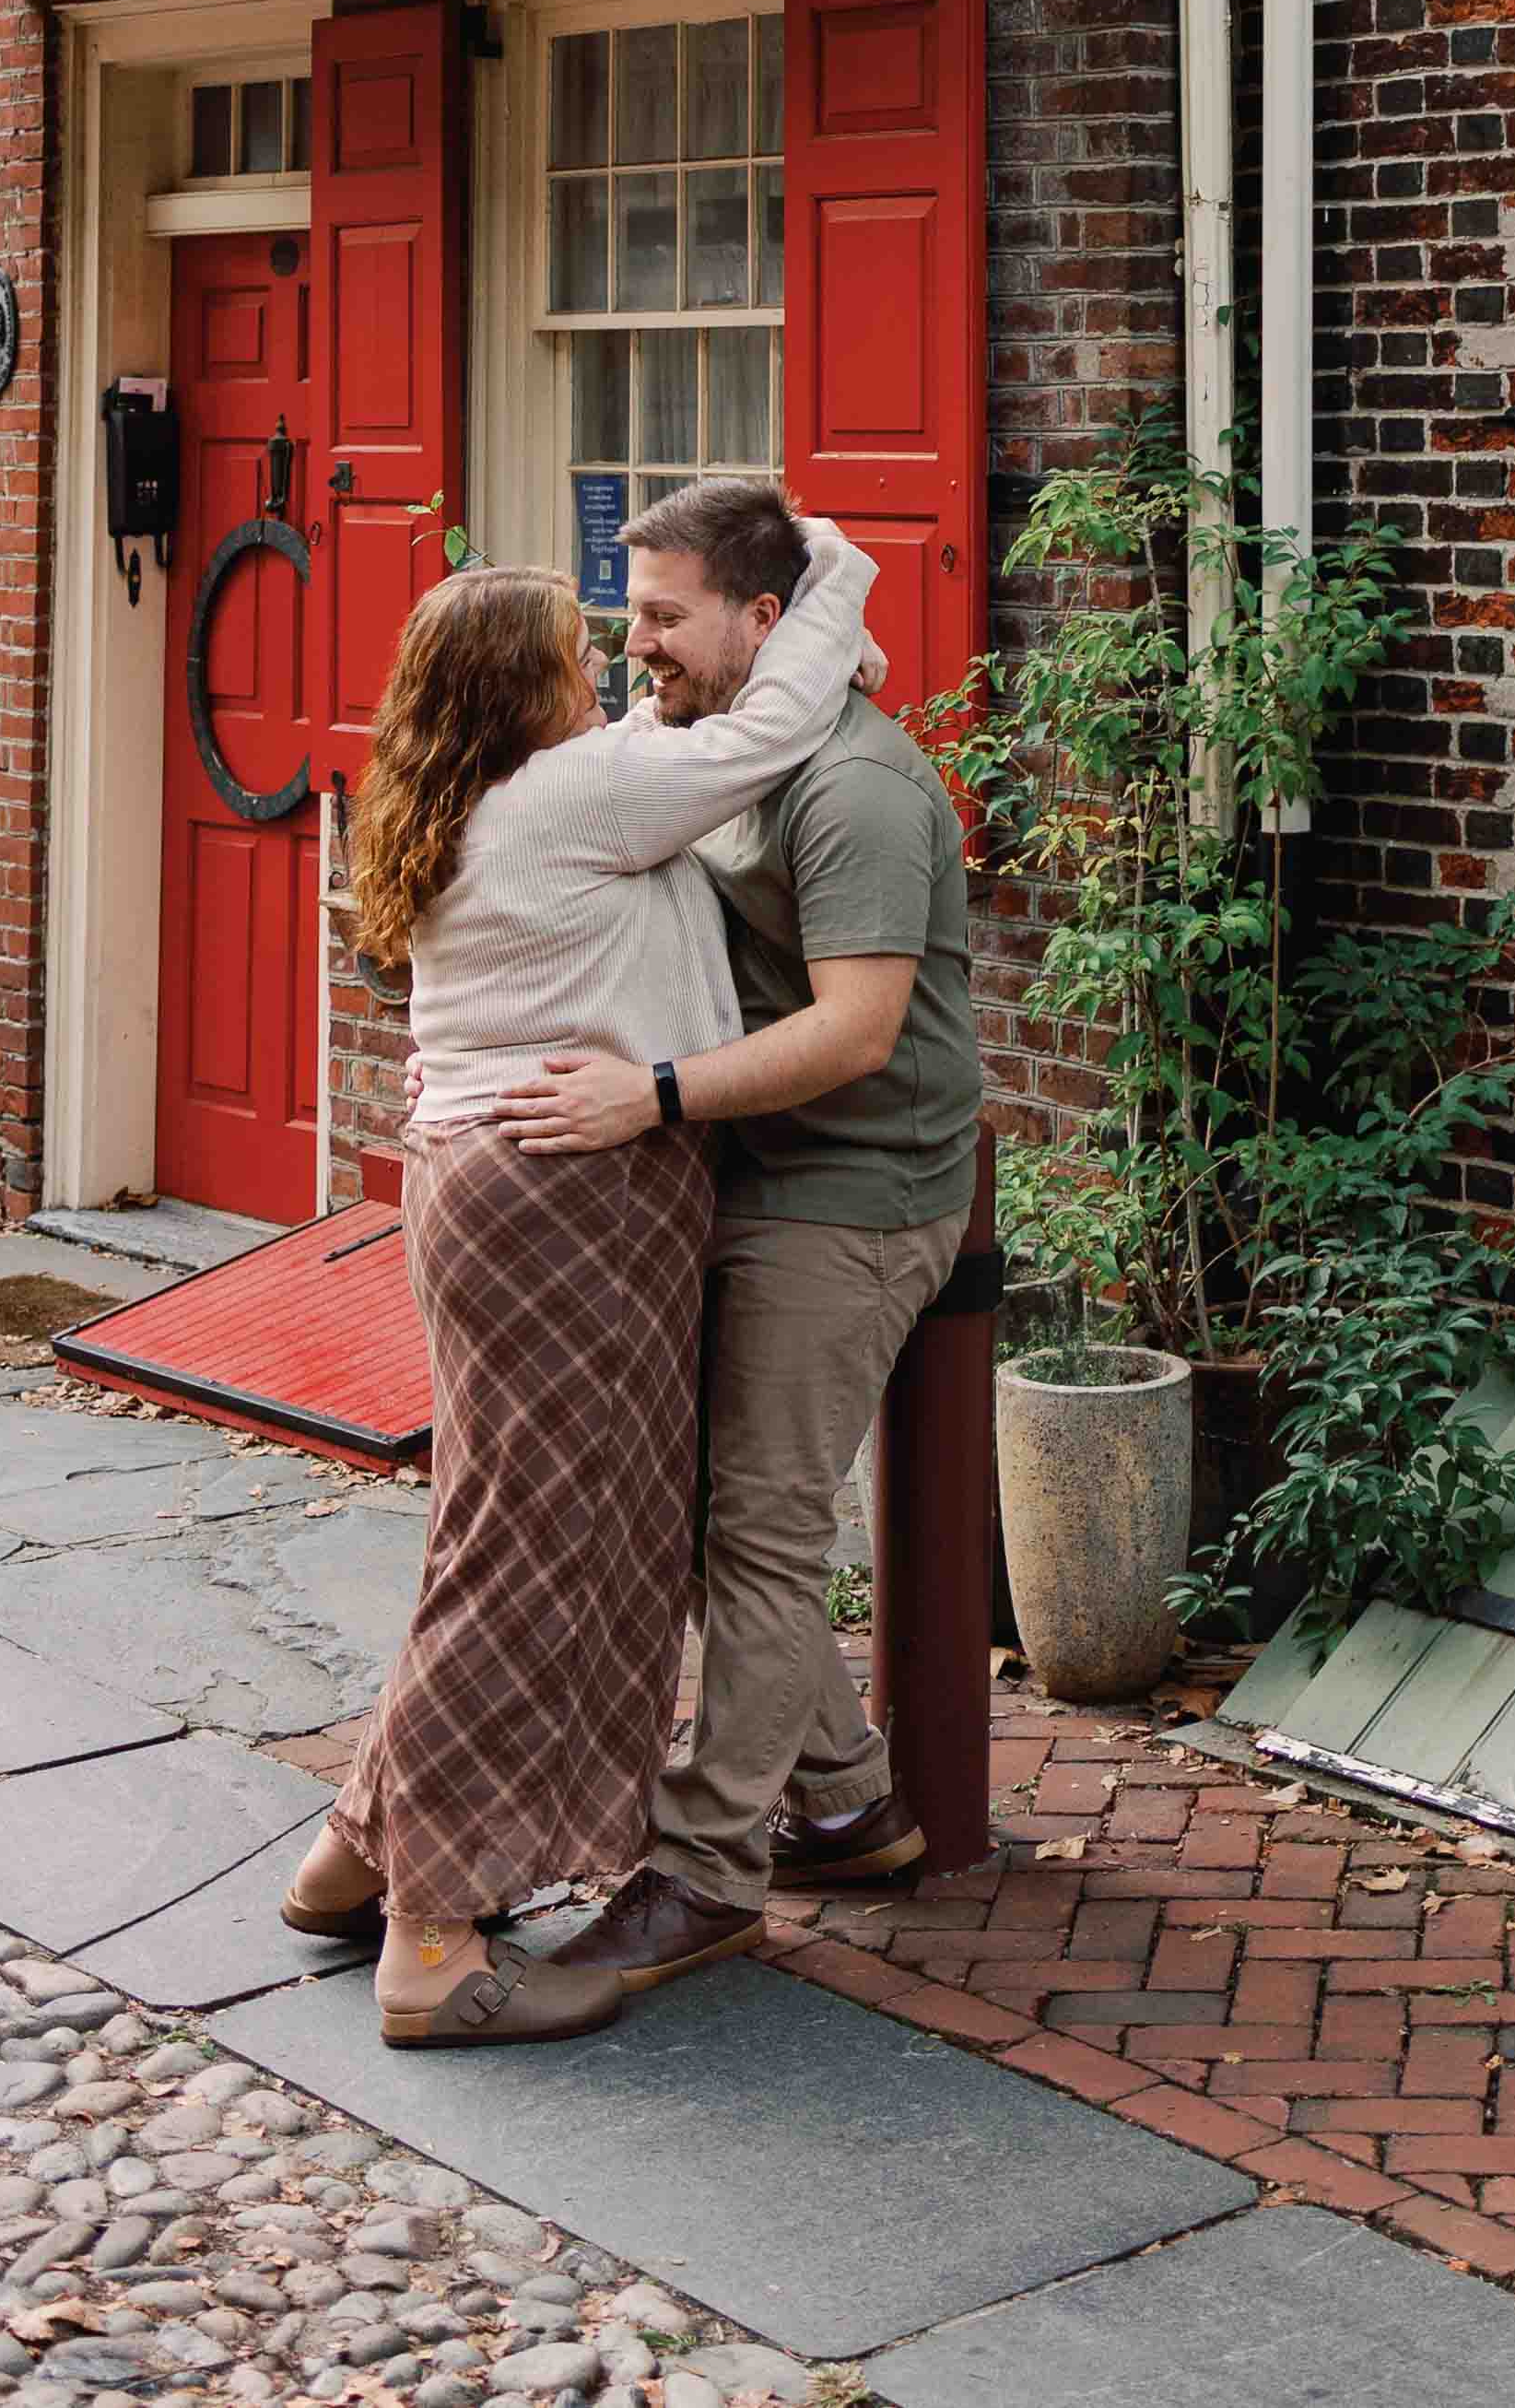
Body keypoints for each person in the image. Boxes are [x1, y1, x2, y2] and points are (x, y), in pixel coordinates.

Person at [279, 512, 880, 2048]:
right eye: (575, 653)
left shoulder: (473, 798)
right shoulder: (570, 797)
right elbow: (788, 714)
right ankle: (433, 1939)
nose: (608, 664)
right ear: (513, 693)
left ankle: (356, 1853)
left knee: (493, 1526)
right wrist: (826, 564)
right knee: (538, 1556)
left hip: (488, 1190)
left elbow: (701, 733)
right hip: (573, 1204)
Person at [499, 470, 983, 1991]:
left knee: (764, 1527)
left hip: (854, 1187)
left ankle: (708, 1871)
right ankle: (842, 1800)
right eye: (629, 610)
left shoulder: (856, 791)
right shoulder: (719, 742)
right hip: (754, 1165)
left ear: (759, 621)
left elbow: (856, 1028)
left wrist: (651, 1094)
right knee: (716, 1511)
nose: (633, 641)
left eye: (662, 615)